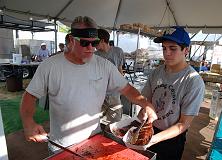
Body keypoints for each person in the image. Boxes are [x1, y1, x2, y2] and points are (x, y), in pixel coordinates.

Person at [20, 16, 157, 154]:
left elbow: (127, 89)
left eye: (95, 43)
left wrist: (145, 104)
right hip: (60, 146)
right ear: (72, 40)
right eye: (85, 43)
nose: (91, 48)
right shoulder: (50, 66)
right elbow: (30, 96)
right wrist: (28, 122)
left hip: (93, 140)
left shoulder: (104, 66)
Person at [138, 27, 205, 160]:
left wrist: (154, 139)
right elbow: (147, 100)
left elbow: (183, 124)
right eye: (164, 48)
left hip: (172, 137)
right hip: (149, 129)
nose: (166, 53)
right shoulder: (156, 72)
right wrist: (144, 111)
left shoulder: (193, 81)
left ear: (186, 50)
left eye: (173, 48)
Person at [95, 29, 125, 124]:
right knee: (96, 121)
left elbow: (120, 70)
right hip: (99, 94)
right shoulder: (94, 55)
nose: (94, 45)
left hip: (114, 94)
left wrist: (121, 87)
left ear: (102, 40)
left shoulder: (118, 51)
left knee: (115, 121)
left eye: (95, 42)